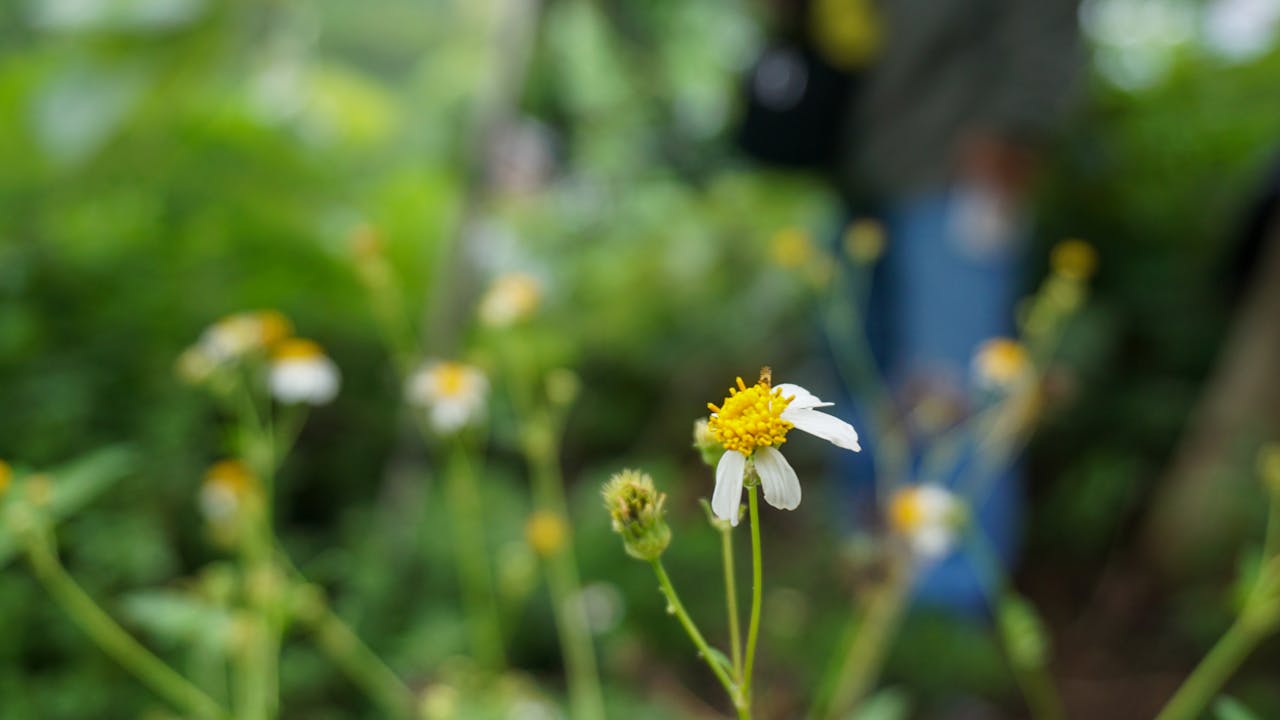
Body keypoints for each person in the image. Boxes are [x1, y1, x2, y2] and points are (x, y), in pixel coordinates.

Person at [835, 0, 1084, 609]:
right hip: (858, 169)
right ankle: (866, 582)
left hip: (964, 169)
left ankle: (949, 612)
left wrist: (1020, 125)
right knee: (861, 380)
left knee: (959, 391)